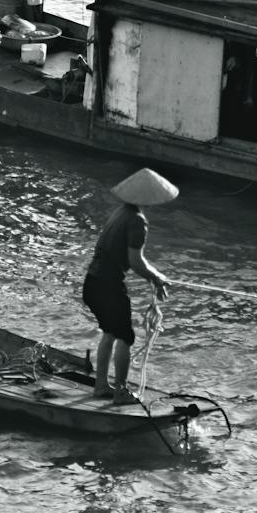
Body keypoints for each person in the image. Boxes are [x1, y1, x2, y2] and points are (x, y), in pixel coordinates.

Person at [81, 167, 176, 404]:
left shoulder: (120, 212)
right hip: (108, 285)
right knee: (125, 335)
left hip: (92, 282)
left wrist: (154, 276)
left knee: (110, 332)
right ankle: (121, 392)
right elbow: (136, 262)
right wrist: (157, 277)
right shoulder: (137, 221)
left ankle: (101, 386)